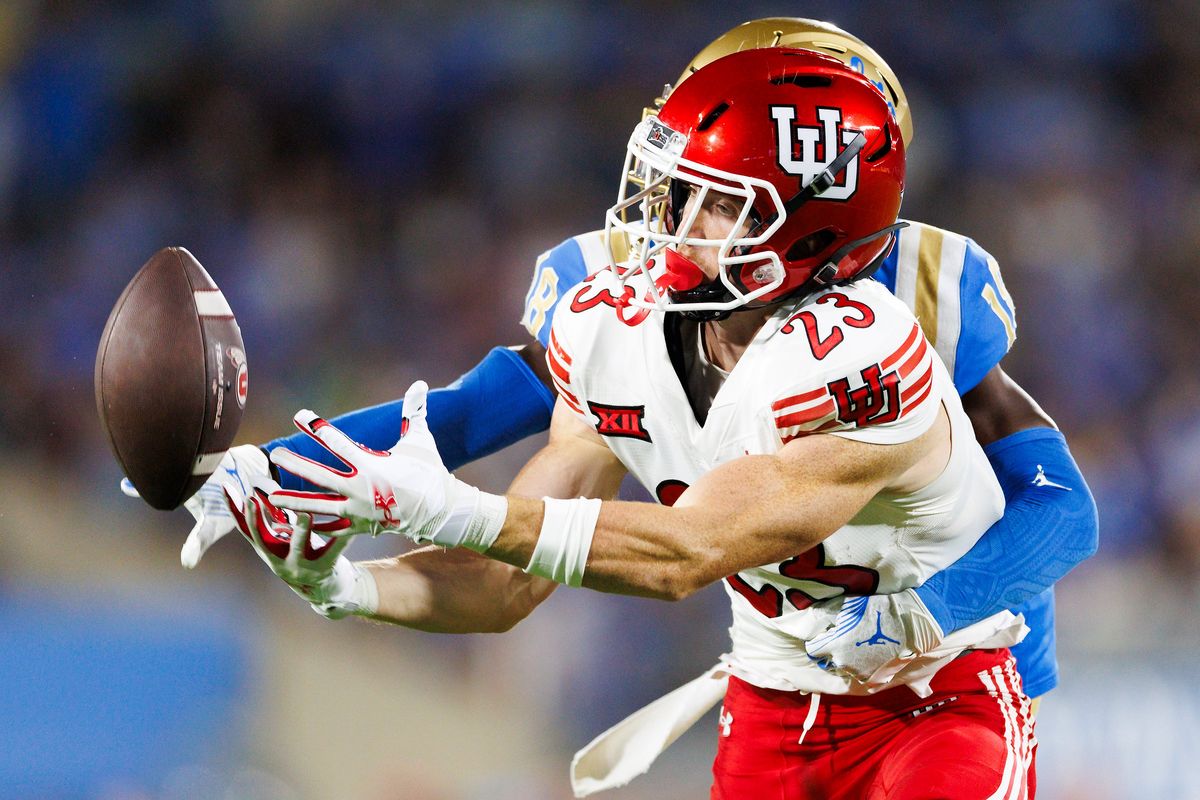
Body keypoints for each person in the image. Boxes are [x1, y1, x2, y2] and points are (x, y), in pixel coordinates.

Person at [164, 18, 1095, 716]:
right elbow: (475, 412)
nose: (676, 206)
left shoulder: (920, 290)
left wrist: (933, 614)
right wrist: (265, 468)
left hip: (951, 663)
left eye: (720, 174)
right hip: (780, 662)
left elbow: (1058, 505)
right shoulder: (630, 278)